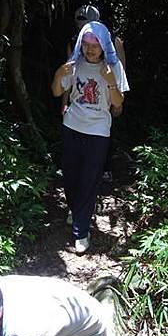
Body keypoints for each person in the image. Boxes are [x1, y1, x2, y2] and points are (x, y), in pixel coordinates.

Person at [52, 20, 129, 254]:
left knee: (89, 179)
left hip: (98, 131)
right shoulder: (73, 65)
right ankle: (76, 211)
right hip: (72, 126)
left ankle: (81, 232)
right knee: (71, 176)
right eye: (85, 44)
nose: (90, 49)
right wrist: (58, 74)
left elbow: (118, 102)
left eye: (94, 45)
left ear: (104, 46)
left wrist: (111, 82)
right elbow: (57, 91)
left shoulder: (112, 68)